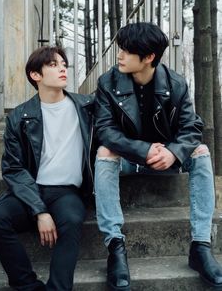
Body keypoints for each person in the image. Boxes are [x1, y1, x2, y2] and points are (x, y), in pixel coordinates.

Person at [94, 22, 222, 290]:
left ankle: (200, 246)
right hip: (129, 159)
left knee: (201, 151)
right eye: (120, 49)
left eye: (127, 51)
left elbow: (191, 128)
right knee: (104, 151)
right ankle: (115, 247)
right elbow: (105, 130)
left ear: (149, 57)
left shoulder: (176, 83)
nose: (119, 55)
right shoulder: (108, 82)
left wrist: (174, 153)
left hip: (165, 158)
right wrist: (143, 149)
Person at [0, 46, 94, 290]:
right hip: (31, 190)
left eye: (64, 64)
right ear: (36, 75)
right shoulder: (20, 116)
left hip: (67, 192)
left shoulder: (87, 108)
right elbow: (13, 169)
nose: (63, 68)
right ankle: (27, 285)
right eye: (54, 65)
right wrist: (40, 211)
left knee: (71, 218)